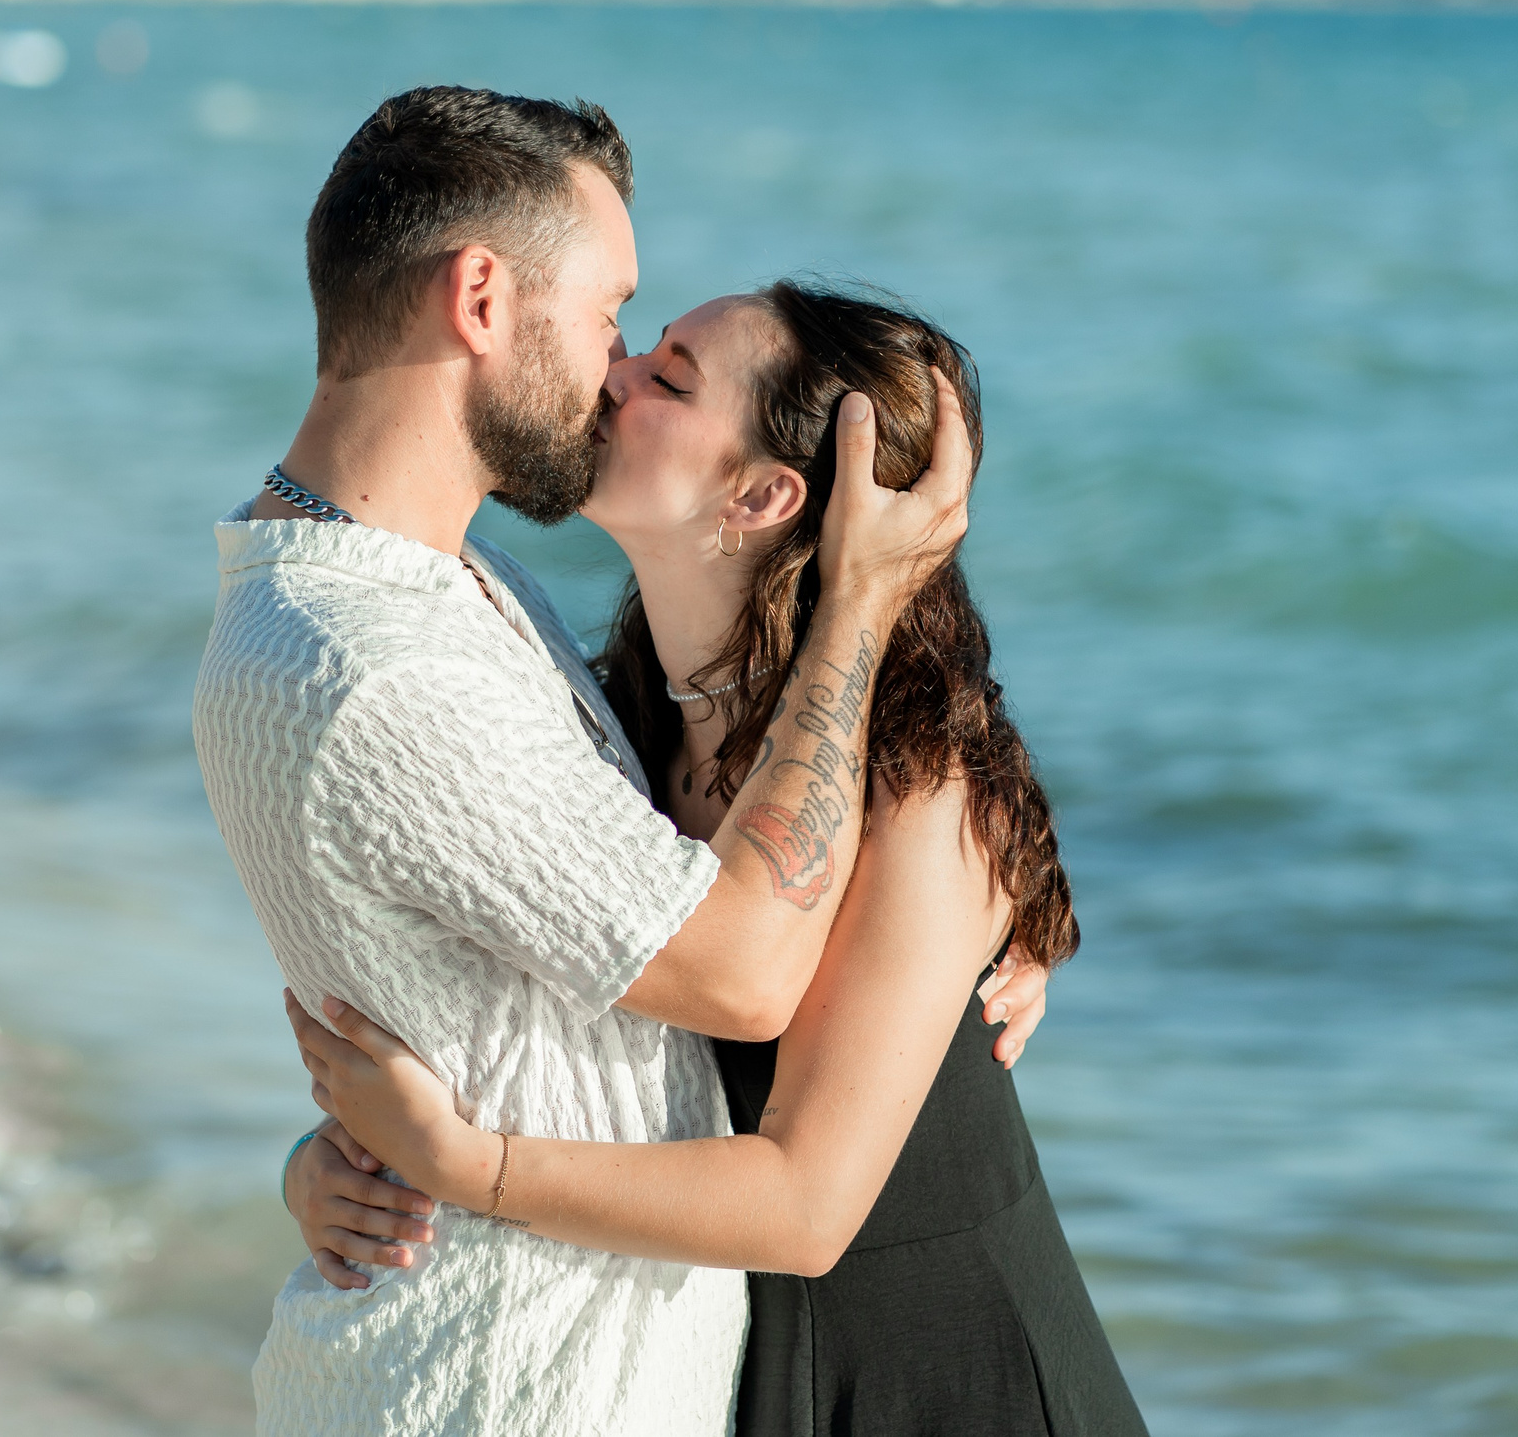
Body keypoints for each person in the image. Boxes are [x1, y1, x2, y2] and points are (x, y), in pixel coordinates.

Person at [191, 87, 995, 1437]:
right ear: (483, 299)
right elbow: (740, 971)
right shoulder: (376, 668)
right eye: (612, 313)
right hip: (498, 1393)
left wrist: (985, 919)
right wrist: (859, 599)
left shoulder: (447, 587)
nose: (617, 363)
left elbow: (469, 992)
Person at [286, 280, 1148, 1436]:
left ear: (760, 495)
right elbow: (516, 1037)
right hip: (731, 1370)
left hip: (952, 1381)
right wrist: (335, 1163)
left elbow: (803, 1205)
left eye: (668, 377)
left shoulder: (921, 789)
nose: (612, 375)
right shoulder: (612, 731)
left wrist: (461, 1161)